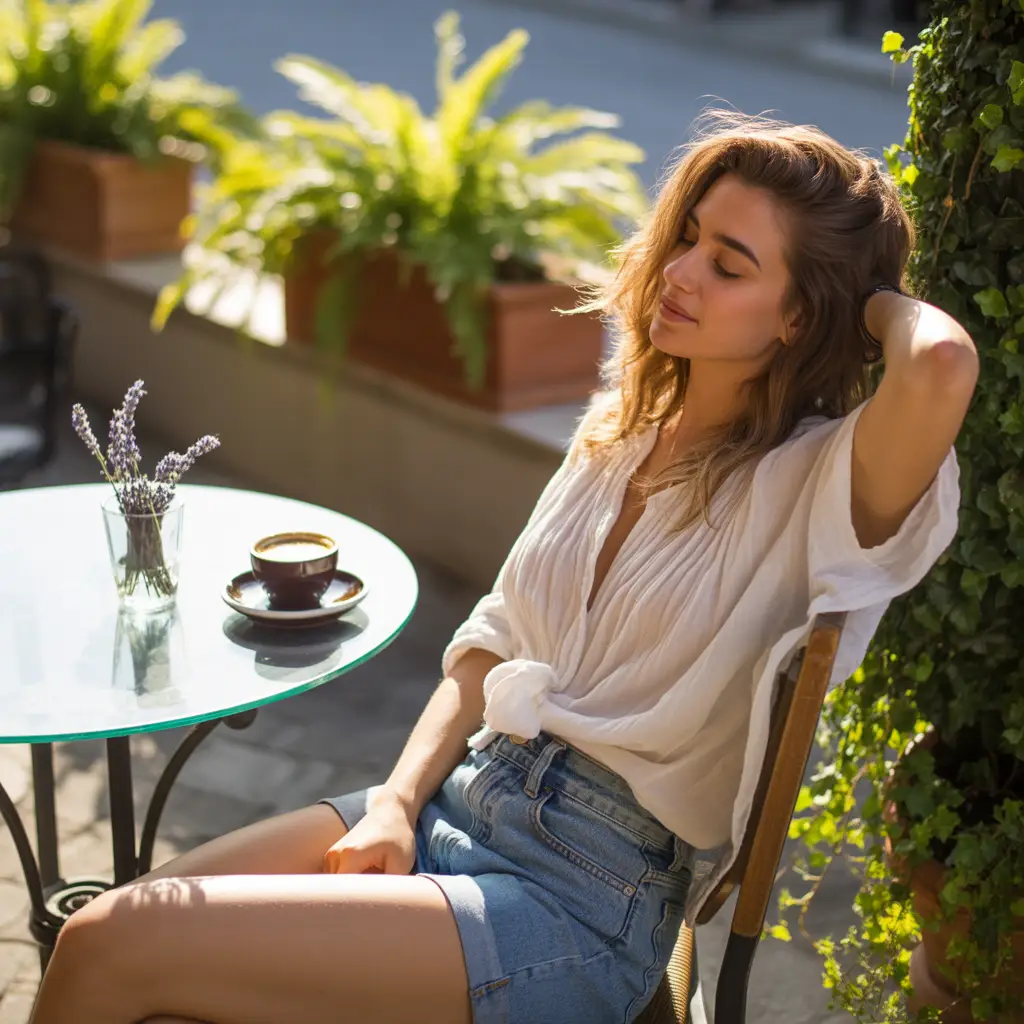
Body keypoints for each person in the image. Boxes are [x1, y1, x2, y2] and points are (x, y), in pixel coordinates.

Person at [29, 111, 978, 1024]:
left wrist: (863, 304)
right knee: (116, 930)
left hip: (581, 899)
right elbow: (493, 642)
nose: (679, 272)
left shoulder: (813, 488)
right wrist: (396, 806)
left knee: (112, 947)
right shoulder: (619, 437)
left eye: (729, 266)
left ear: (797, 317)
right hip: (459, 805)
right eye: (686, 238)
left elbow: (938, 367)